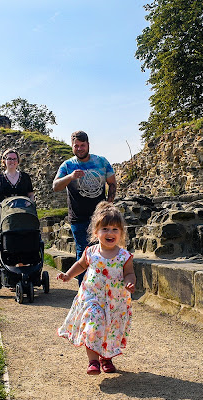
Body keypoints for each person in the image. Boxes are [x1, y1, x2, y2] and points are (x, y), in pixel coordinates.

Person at [57, 201, 135, 375]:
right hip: (92, 298)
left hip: (115, 302)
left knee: (110, 330)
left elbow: (129, 273)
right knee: (93, 324)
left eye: (115, 229)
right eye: (105, 229)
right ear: (96, 232)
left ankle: (106, 358)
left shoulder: (124, 256)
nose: (110, 233)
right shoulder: (91, 252)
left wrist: (130, 282)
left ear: (121, 233)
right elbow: (80, 265)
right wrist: (68, 275)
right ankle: (93, 361)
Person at [52, 131, 116, 283]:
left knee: (103, 252)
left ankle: (102, 287)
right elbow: (55, 186)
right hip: (78, 218)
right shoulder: (68, 165)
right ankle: (84, 291)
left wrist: (109, 204)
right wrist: (71, 177)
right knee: (84, 254)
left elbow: (112, 183)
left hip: (99, 218)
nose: (80, 148)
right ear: (72, 147)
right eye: (76, 146)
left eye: (82, 145)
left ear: (88, 145)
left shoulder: (101, 162)